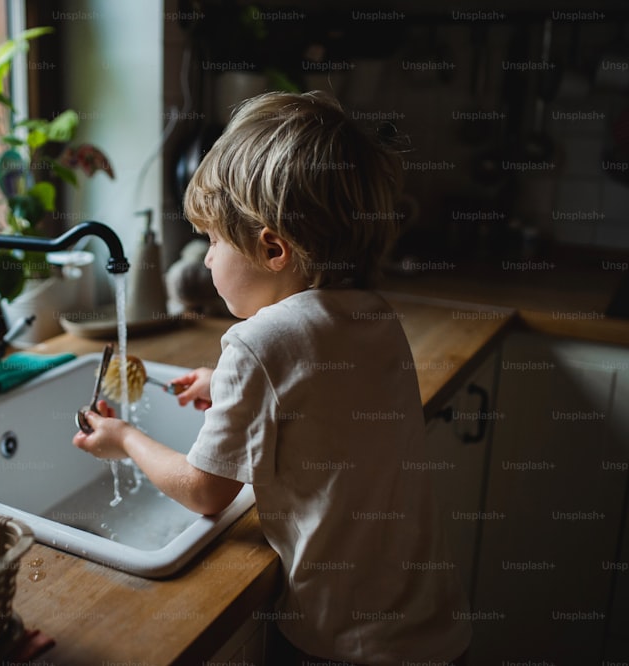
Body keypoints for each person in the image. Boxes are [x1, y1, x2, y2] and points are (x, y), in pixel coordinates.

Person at [72, 91, 471, 665]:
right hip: (432, 624)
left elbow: (206, 493)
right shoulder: (373, 313)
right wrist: (227, 383)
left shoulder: (257, 342)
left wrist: (125, 440)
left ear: (273, 248)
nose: (205, 259)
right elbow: (321, 393)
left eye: (213, 240)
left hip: (339, 640)